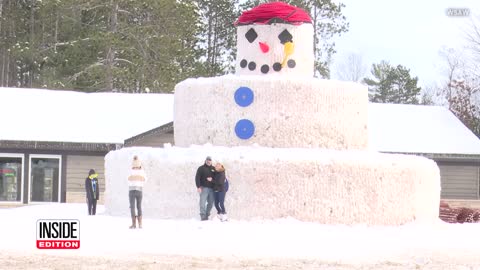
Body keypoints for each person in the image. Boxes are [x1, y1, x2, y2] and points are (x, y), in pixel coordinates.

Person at [127, 155, 147, 229]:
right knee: (132, 207)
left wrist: (134, 178)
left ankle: (140, 223)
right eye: (134, 166)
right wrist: (137, 179)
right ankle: (134, 223)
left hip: (138, 190)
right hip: (132, 190)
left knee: (138, 206)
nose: (135, 167)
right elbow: (127, 179)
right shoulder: (130, 171)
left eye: (137, 166)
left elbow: (145, 180)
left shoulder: (142, 172)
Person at [195, 156, 215, 221]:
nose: (208, 161)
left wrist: (212, 179)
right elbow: (197, 178)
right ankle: (203, 216)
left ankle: (207, 214)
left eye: (210, 160)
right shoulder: (201, 168)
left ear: (211, 161)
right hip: (204, 188)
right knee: (202, 202)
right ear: (205, 160)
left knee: (211, 202)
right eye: (207, 160)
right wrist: (198, 187)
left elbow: (217, 178)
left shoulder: (213, 168)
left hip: (212, 189)